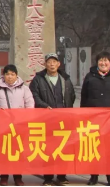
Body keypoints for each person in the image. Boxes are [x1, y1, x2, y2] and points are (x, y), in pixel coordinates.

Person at [81, 51, 110, 187]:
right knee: (93, 148)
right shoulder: (90, 77)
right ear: (97, 63)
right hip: (93, 121)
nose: (103, 63)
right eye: (100, 61)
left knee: (109, 151)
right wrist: (83, 115)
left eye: (105, 61)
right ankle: (94, 175)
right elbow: (84, 97)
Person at [30, 53, 75, 186]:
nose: (52, 64)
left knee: (63, 147)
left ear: (58, 64)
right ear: (45, 64)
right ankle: (48, 177)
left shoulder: (65, 79)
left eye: (54, 62)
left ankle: (62, 175)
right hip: (46, 119)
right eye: (49, 62)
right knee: (48, 148)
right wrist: (44, 106)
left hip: (63, 119)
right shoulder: (38, 79)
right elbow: (34, 95)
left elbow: (71, 96)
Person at [0, 65, 34, 187]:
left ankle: (18, 177)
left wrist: (26, 118)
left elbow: (30, 104)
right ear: (3, 76)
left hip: (19, 125)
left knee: (18, 151)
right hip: (3, 124)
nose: (9, 77)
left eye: (12, 74)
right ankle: (4, 176)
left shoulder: (24, 89)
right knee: (4, 151)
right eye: (7, 74)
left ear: (16, 75)